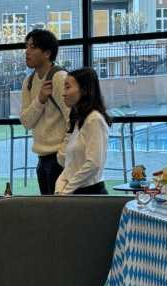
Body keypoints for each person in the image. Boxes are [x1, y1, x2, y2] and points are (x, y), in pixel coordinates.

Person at [19, 29, 69, 195]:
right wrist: (40, 100)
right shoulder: (29, 81)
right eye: (26, 46)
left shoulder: (59, 77)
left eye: (33, 47)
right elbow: (26, 121)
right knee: (48, 209)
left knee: (60, 209)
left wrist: (62, 156)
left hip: (60, 160)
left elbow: (73, 119)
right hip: (42, 160)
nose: (27, 52)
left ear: (47, 53)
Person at [54, 67, 111, 195]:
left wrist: (67, 190)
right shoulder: (79, 120)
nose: (64, 93)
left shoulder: (94, 119)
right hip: (76, 192)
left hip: (91, 194)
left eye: (68, 87)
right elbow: (69, 165)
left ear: (84, 90)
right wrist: (60, 188)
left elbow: (94, 163)